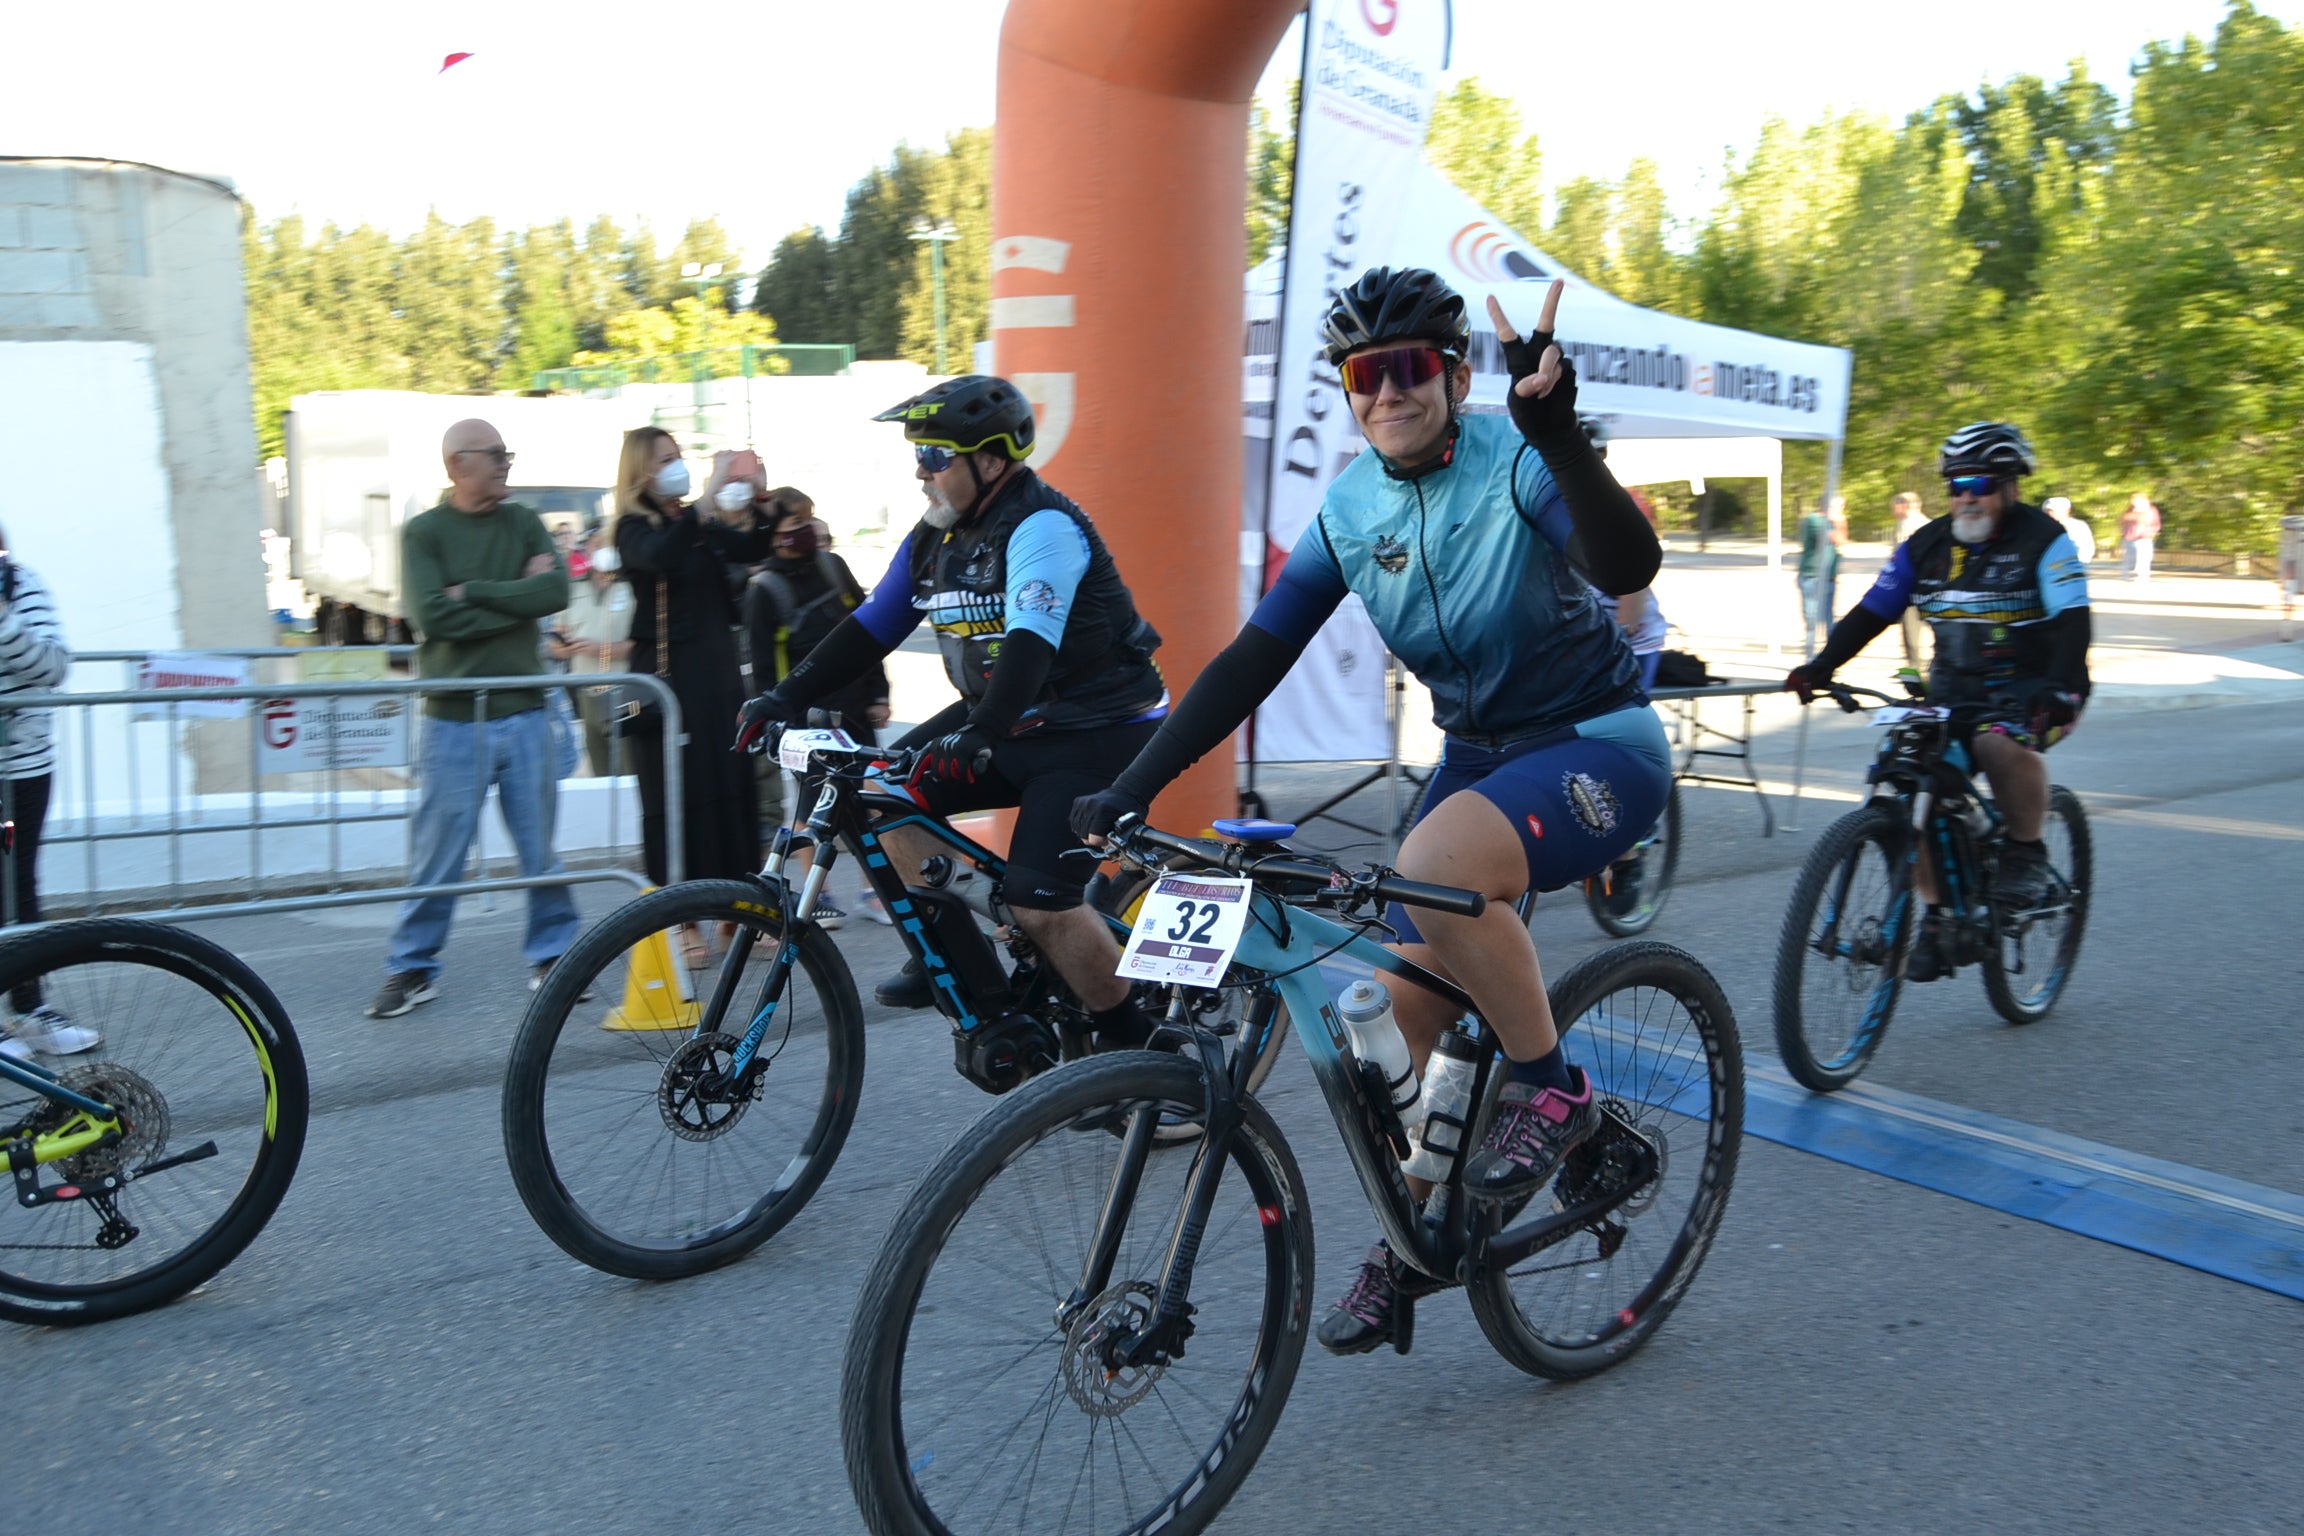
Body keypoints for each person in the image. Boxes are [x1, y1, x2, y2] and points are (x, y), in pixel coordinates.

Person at [1070, 267, 1667, 1356]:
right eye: (1362, 375)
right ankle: (1416, 1244)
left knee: (1436, 861)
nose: (1385, 393)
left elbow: (1628, 561)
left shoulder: (1518, 461)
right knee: (1389, 1035)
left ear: (1451, 374)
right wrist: (1135, 782)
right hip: (1480, 761)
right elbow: (1255, 656)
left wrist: (1562, 438)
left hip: (1595, 746)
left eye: (1407, 370)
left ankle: (1553, 1090)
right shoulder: (1351, 508)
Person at [733, 374, 1168, 1048]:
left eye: (934, 457)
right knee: (877, 797)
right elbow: (871, 627)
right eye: (919, 455)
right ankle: (968, 974)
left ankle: (1132, 1042)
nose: (920, 472)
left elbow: (1030, 643)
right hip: (1011, 718)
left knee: (1038, 902)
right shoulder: (938, 537)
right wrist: (782, 697)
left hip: (1098, 726)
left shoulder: (1041, 526)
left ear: (990, 461)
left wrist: (983, 731)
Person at [1786, 422, 2090, 980]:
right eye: (1955, 484)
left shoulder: (2046, 542)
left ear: (2010, 486)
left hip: (2035, 686)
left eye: (1978, 482)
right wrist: (1821, 666)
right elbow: (1873, 612)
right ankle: (1937, 914)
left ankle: (2025, 852)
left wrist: (2061, 687)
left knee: (1994, 745)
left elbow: (2074, 622)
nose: (1966, 495)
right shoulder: (1924, 546)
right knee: (1911, 776)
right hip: (1951, 689)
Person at [370, 420, 582, 1018]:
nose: (506, 465)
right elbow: (433, 619)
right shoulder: (423, 533)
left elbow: (556, 594)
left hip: (526, 711)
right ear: (458, 464)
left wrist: (476, 592)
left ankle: (554, 955)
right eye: (496, 456)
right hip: (453, 720)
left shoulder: (521, 520)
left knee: (540, 847)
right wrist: (514, 597)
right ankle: (412, 966)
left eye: (506, 454)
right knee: (439, 851)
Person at [614, 429, 779, 963]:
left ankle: (738, 915)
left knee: (730, 787)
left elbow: (753, 547)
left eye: (679, 458)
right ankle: (682, 919)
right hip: (667, 681)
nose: (677, 468)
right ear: (641, 470)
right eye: (666, 460)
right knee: (675, 796)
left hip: (718, 675)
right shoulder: (633, 528)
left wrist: (759, 496)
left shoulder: (697, 523)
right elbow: (661, 557)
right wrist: (704, 503)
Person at [742, 486, 889, 926]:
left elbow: (869, 630)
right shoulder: (764, 589)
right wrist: (783, 725)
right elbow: (764, 671)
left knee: (872, 801)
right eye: (794, 524)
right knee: (812, 808)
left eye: (809, 520)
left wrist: (879, 692)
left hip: (857, 708)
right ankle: (816, 894)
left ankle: (877, 890)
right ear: (774, 533)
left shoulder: (832, 566)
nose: (805, 531)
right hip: (809, 721)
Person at [0, 529, 98, 1058]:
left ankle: (30, 1007)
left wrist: (2, 619)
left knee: (16, 885)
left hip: (21, 769)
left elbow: (53, 667)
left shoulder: (22, 586)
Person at [550, 526, 634, 777]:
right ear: (586, 548)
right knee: (600, 771)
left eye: (607, 543)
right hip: (587, 694)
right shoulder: (574, 589)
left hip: (625, 693)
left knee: (629, 770)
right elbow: (557, 635)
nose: (601, 549)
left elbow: (643, 645)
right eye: (596, 544)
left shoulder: (632, 587)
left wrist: (602, 650)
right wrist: (560, 646)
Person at [1797, 493, 1847, 657]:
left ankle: (1830, 656)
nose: (1841, 510)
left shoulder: (1832, 522)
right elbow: (1836, 538)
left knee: (1829, 620)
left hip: (1829, 577)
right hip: (1812, 576)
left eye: (1842, 507)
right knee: (1812, 620)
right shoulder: (1814, 520)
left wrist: (1839, 522)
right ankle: (1810, 656)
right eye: (1837, 506)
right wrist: (1839, 521)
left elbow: (1843, 540)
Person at [1891, 491, 1932, 671]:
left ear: (1903, 505)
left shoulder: (1906, 524)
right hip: (1928, 581)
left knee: (1910, 628)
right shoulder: (1928, 522)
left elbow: (1900, 556)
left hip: (1911, 582)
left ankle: (1914, 666)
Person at [2120, 492, 2160, 584]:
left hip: (2144, 537)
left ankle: (2142, 576)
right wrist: (2124, 532)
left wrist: (2151, 533)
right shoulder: (2130, 510)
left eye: (2136, 499)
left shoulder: (2150, 510)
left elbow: (2155, 523)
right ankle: (2126, 575)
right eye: (2133, 499)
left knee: (2144, 558)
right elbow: (2122, 521)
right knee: (2129, 558)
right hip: (2129, 537)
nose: (2133, 501)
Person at [2044, 496, 2096, 565]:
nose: (2050, 513)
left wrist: (2078, 563)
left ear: (2067, 510)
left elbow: (2087, 547)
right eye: (2049, 510)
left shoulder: (2078, 526)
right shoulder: (2044, 526)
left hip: (2071, 566)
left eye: (2054, 510)